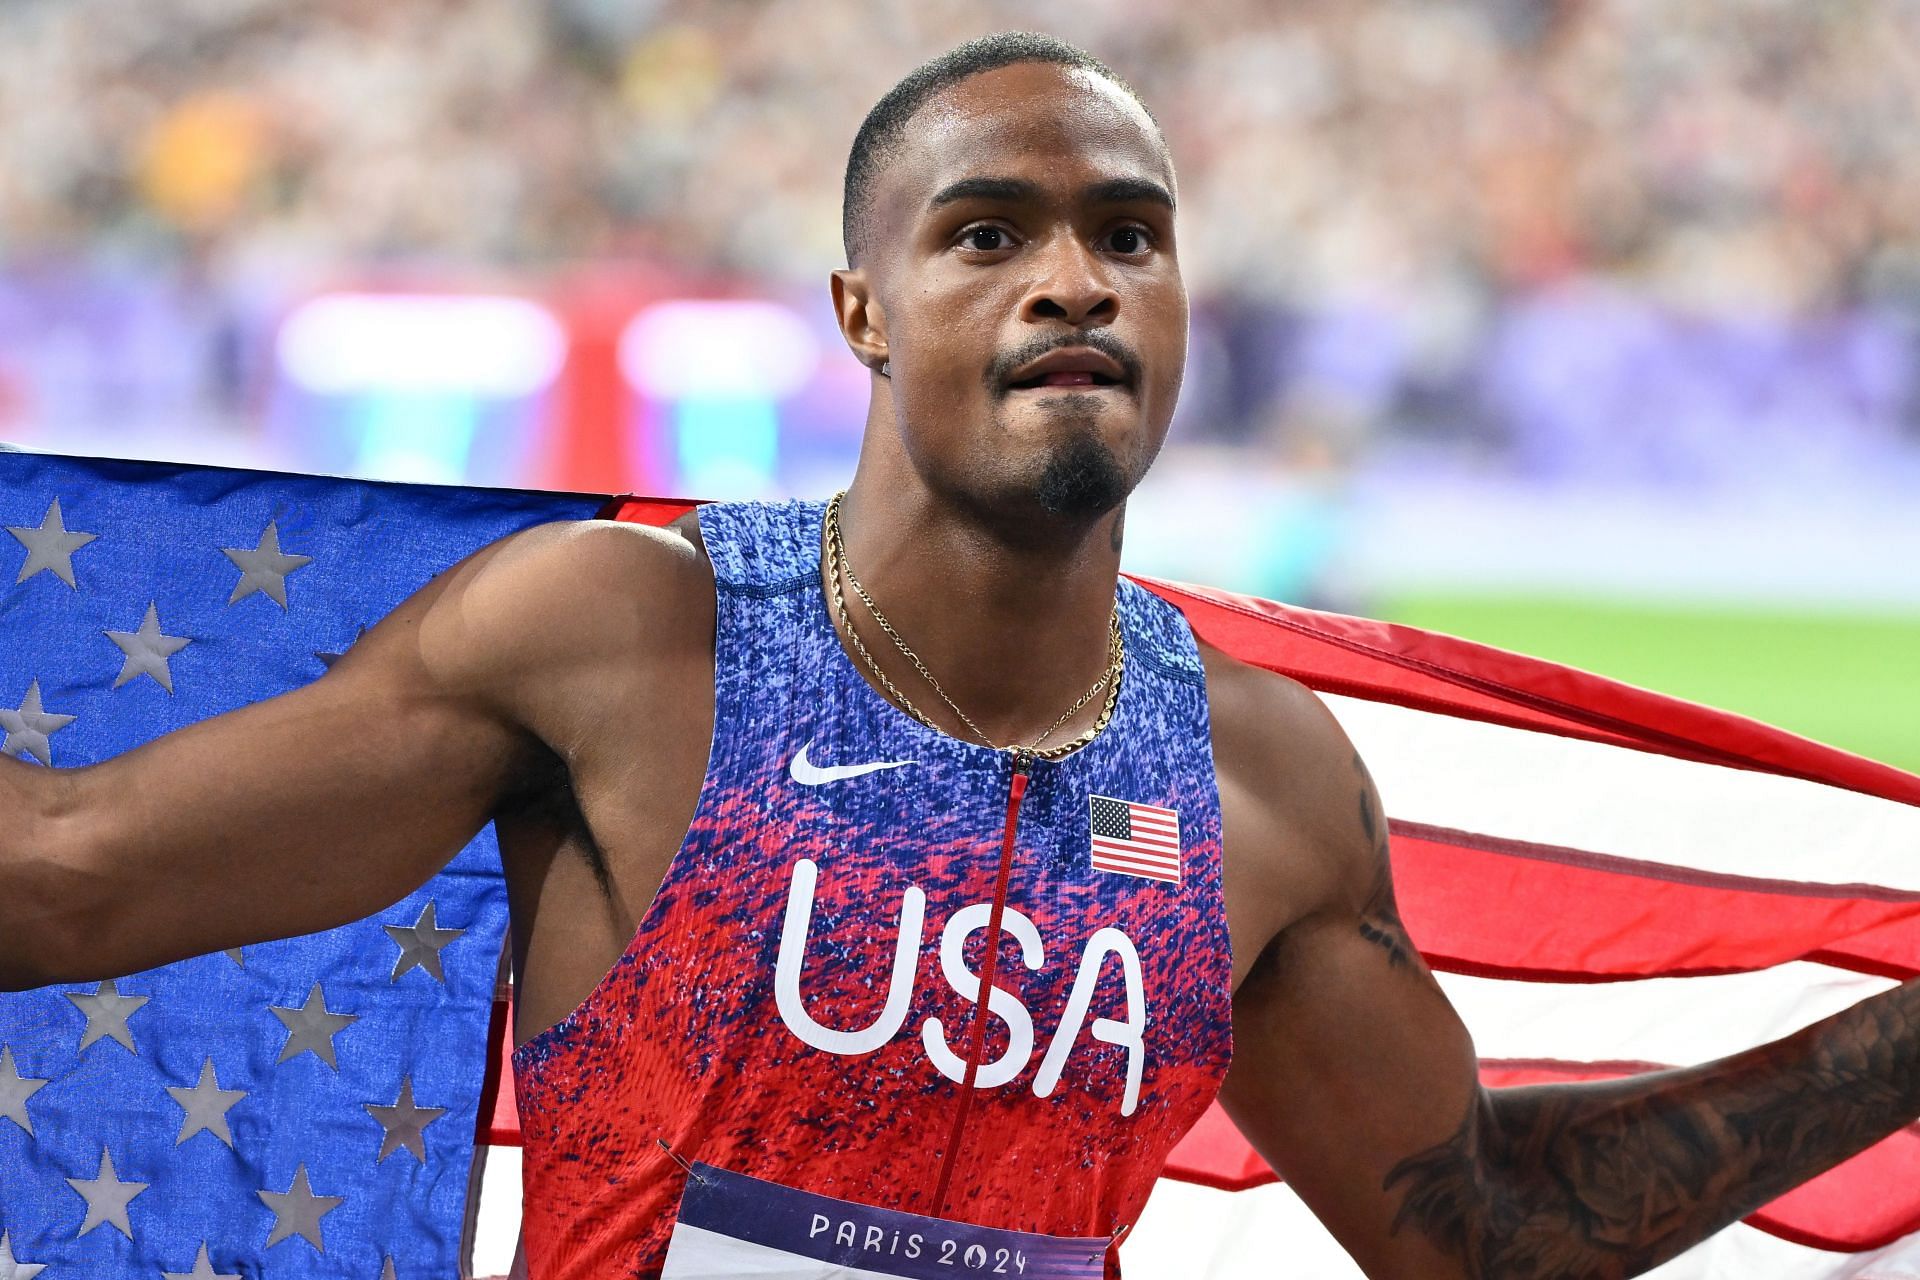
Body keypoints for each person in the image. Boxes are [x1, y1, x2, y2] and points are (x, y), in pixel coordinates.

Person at [3, 32, 1918, 1280]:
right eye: (987, 233)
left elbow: (1478, 1233)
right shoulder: (626, 640)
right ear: (860, 307)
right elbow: (68, 881)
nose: (1074, 277)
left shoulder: (1267, 782)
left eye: (1131, 238)